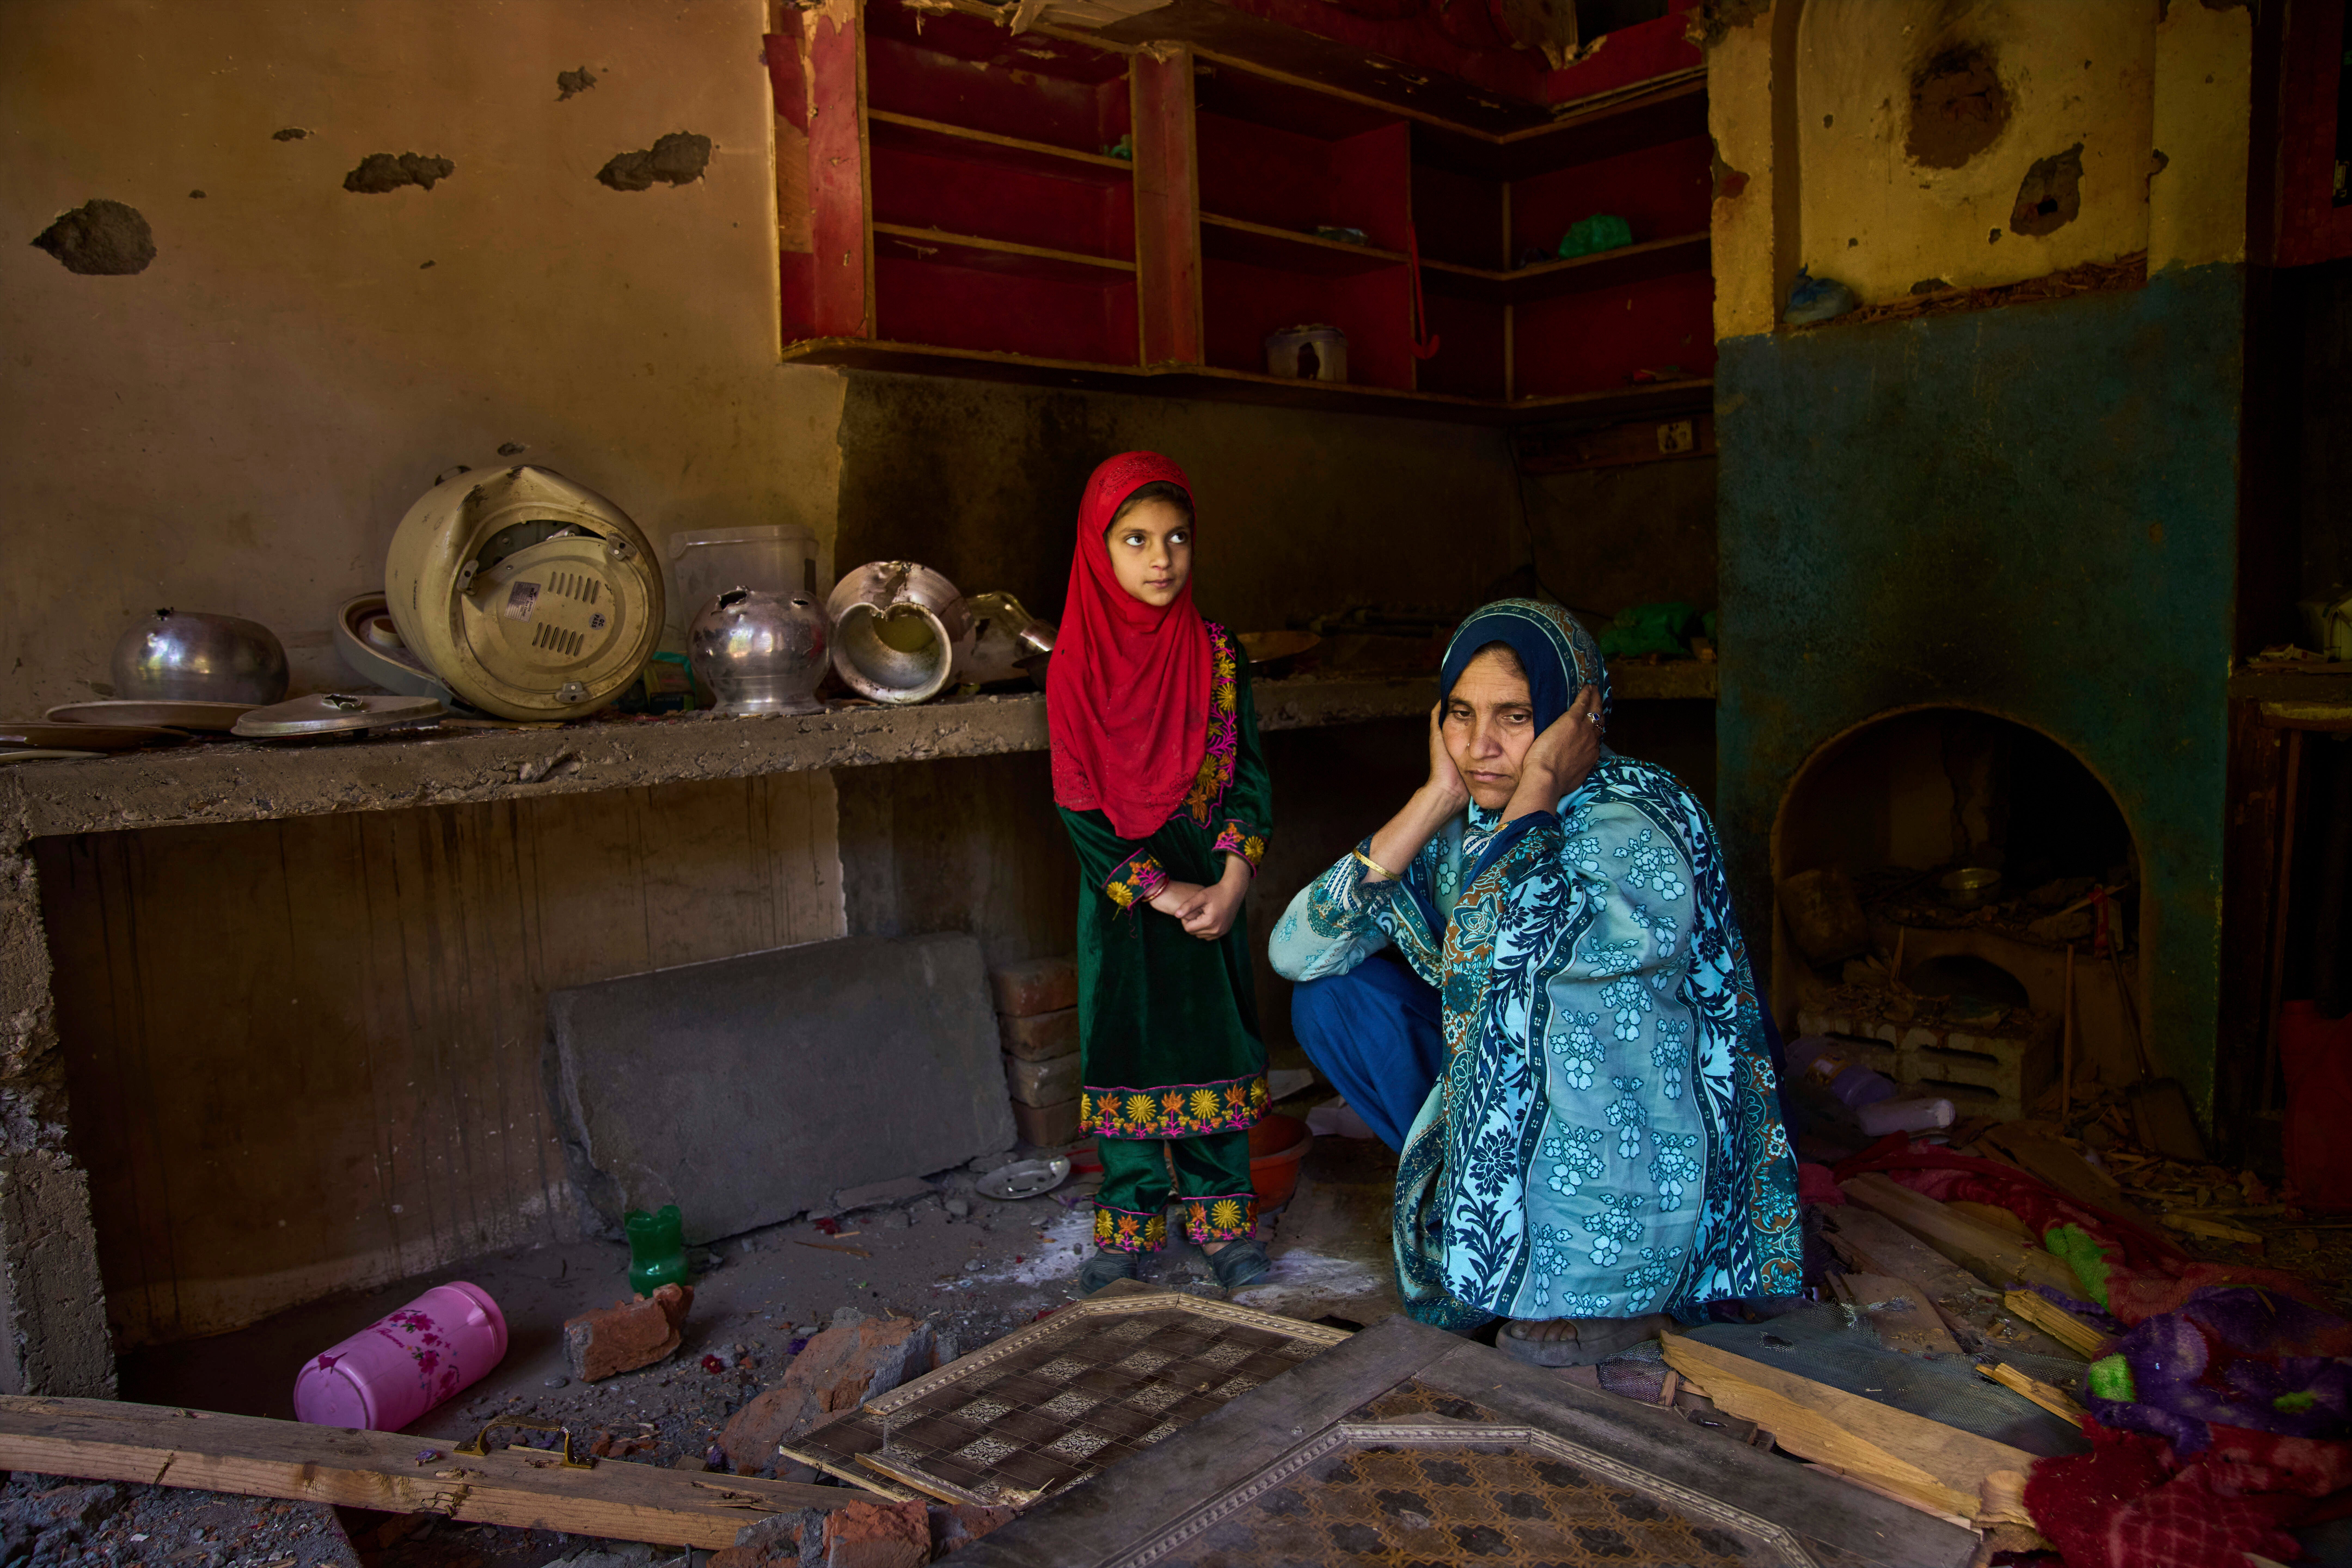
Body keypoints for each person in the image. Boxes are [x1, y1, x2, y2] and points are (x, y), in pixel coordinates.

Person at [1269, 599, 1799, 1363]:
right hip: (1518, 1090)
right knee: (1332, 999)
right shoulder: (1462, 818)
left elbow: (1519, 959)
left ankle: (1624, 1284)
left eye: (1516, 718)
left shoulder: (1639, 817)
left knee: (1555, 1019)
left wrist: (1542, 783)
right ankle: (1478, 1208)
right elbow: (1296, 950)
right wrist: (1434, 799)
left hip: (1633, 1110)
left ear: (1578, 717)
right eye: (1461, 715)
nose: (1480, 747)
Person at [1048, 452, 1274, 1295]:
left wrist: (1231, 882)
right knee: (1127, 1056)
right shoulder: (1075, 663)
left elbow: (1247, 777)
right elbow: (1077, 804)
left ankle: (1225, 1228)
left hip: (1211, 889)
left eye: (1177, 537)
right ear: (1098, 548)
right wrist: (1160, 891)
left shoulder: (1220, 655)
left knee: (1216, 1045)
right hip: (1125, 902)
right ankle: (1130, 1225)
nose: (1161, 558)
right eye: (1136, 539)